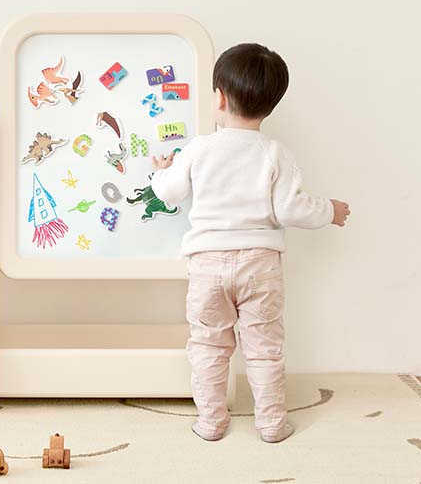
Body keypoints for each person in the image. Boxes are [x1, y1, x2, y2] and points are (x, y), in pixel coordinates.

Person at [150, 43, 350, 443]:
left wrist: (159, 172)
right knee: (264, 348)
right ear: (270, 105)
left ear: (219, 98)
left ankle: (211, 422)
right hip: (261, 264)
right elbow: (291, 209)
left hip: (207, 264)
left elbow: (169, 193)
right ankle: (272, 424)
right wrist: (330, 209)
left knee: (208, 345)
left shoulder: (198, 148)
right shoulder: (275, 153)